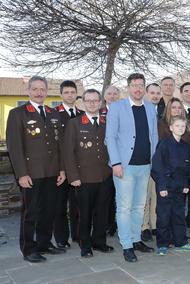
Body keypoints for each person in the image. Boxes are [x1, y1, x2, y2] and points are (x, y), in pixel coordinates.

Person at [6, 76, 67, 263]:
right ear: (29, 91)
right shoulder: (19, 113)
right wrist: (22, 173)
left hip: (52, 172)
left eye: (42, 89)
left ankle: (44, 243)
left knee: (49, 210)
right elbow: (15, 147)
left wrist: (62, 170)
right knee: (30, 212)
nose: (39, 92)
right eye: (35, 89)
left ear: (47, 91)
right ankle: (28, 249)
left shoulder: (53, 113)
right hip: (31, 173)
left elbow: (60, 145)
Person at [105, 73, 158, 262]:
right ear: (128, 87)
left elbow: (154, 136)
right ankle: (127, 244)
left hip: (145, 166)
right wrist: (116, 163)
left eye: (141, 85)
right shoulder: (117, 108)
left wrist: (154, 163)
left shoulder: (151, 108)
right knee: (124, 207)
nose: (138, 88)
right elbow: (110, 137)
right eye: (134, 85)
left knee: (139, 206)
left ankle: (136, 240)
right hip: (124, 167)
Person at [62, 89, 114, 257]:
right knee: (84, 213)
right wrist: (73, 177)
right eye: (89, 101)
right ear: (83, 103)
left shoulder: (108, 122)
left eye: (95, 100)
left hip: (105, 176)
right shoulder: (75, 123)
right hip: (83, 178)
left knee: (102, 211)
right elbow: (68, 152)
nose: (92, 103)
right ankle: (85, 245)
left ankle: (99, 242)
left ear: (101, 103)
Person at [151, 117, 190, 255]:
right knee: (163, 216)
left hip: (180, 186)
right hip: (166, 186)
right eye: (177, 126)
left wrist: (187, 184)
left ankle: (181, 242)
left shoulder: (186, 146)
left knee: (179, 215)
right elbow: (157, 166)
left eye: (183, 126)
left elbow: (189, 167)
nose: (180, 128)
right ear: (171, 128)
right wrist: (161, 186)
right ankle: (162, 244)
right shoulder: (164, 144)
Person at [54, 80, 84, 249]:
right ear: (61, 95)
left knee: (77, 205)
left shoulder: (81, 114)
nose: (70, 95)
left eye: (72, 92)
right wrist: (60, 167)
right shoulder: (53, 114)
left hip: (78, 168)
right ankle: (61, 238)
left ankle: (78, 235)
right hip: (60, 168)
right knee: (59, 205)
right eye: (66, 92)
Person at [141, 83, 163, 243]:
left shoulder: (162, 112)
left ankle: (155, 225)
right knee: (144, 195)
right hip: (144, 159)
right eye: (152, 93)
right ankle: (144, 227)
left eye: (157, 93)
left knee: (156, 194)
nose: (155, 96)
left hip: (159, 161)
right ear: (146, 94)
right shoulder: (140, 110)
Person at [102, 85, 120, 237]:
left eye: (115, 94)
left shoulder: (123, 112)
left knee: (120, 196)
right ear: (105, 96)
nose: (112, 96)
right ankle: (108, 225)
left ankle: (119, 223)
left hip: (121, 161)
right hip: (104, 163)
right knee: (106, 196)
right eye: (110, 94)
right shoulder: (100, 114)